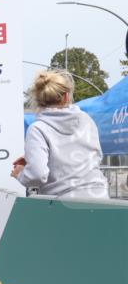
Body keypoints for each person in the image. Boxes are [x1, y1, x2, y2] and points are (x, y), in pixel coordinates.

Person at [11, 70, 108, 199]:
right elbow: (93, 157)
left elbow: (37, 174)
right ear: (67, 96)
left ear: (38, 100)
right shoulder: (86, 120)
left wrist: (21, 173)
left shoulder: (38, 129)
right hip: (99, 197)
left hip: (65, 203)